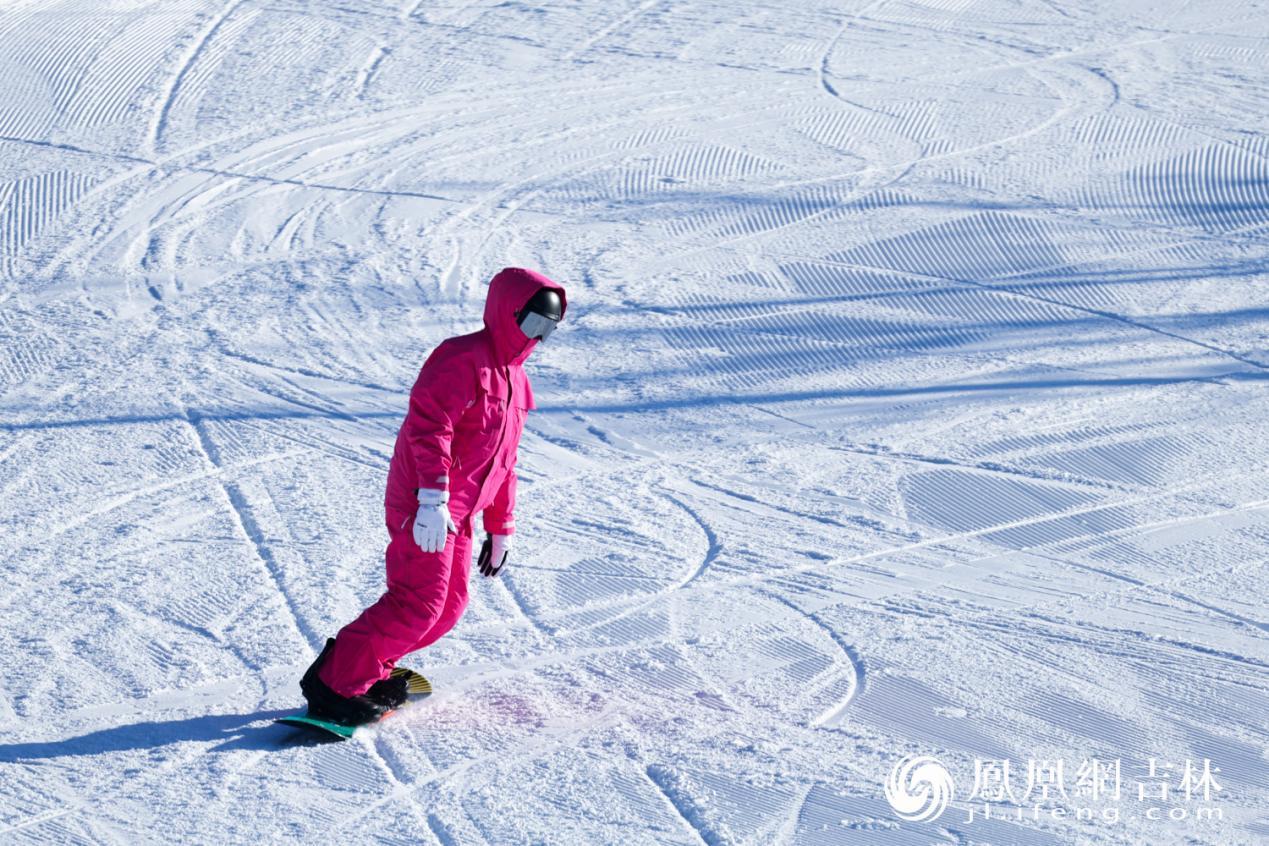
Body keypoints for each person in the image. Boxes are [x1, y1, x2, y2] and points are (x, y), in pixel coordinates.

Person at [299, 267, 567, 725]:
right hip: (423, 503)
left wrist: (500, 530)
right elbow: (429, 429)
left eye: (548, 329)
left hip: (457, 513)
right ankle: (335, 685)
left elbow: (505, 462)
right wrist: (430, 499)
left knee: (447, 610)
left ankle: (368, 668)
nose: (535, 338)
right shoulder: (461, 358)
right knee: (418, 603)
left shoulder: (517, 383)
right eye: (531, 324)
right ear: (509, 312)